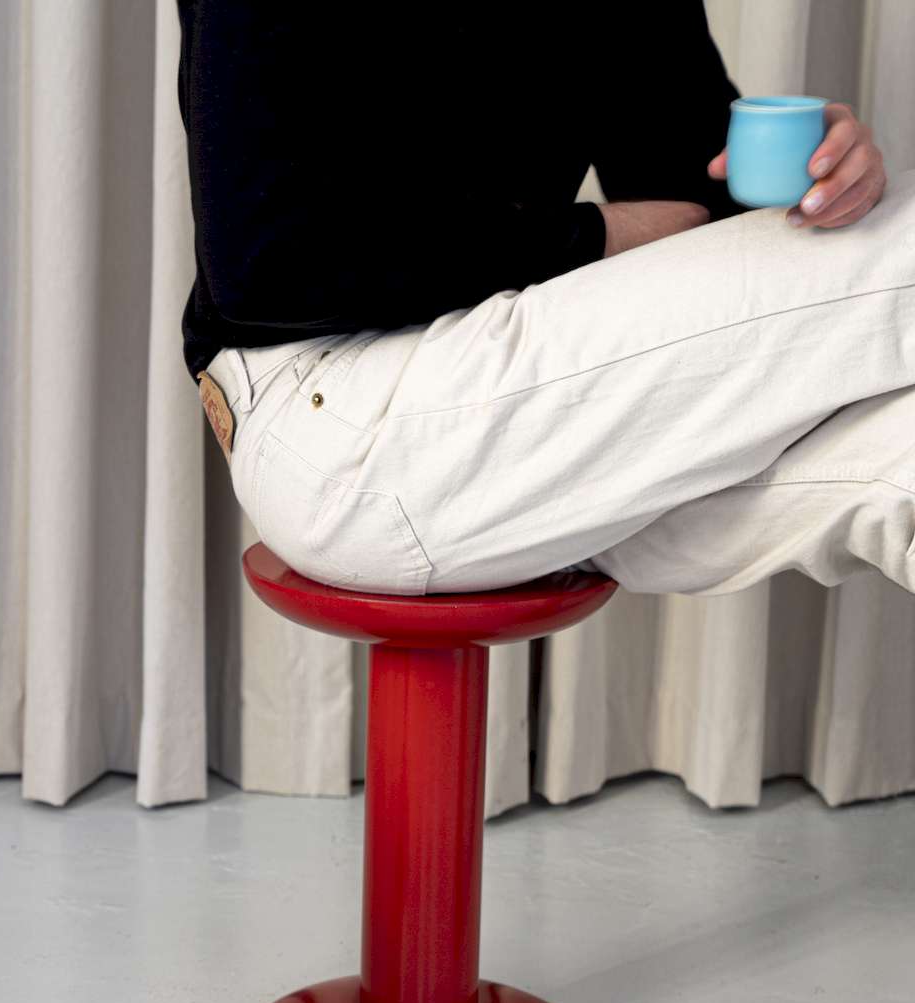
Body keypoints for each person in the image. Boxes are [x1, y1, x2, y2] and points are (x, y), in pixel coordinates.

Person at [178, 2, 911, 598]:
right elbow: (267, 266)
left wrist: (821, 174)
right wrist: (597, 234)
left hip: (524, 406)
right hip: (337, 411)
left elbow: (691, 200)